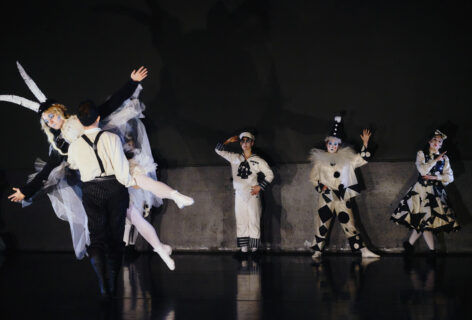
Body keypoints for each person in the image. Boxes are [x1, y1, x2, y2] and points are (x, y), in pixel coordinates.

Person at [2, 62, 192, 268]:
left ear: (60, 110)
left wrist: (132, 83)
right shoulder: (60, 144)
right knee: (133, 216)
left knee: (140, 179)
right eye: (46, 120)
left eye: (51, 115)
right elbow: (47, 171)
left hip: (114, 162)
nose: (50, 121)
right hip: (100, 181)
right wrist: (26, 190)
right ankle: (160, 249)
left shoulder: (82, 119)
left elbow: (110, 105)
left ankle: (175, 196)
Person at [68, 102, 134, 297]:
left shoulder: (75, 145)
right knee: (115, 236)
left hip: (91, 189)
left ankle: (103, 285)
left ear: (79, 121)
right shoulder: (112, 138)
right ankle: (113, 285)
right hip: (114, 187)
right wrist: (128, 183)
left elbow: (72, 164)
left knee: (97, 237)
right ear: (98, 118)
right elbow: (122, 169)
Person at [308, 116, 379, 260]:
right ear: (327, 143)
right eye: (330, 143)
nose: (332, 146)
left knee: (349, 223)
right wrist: (321, 186)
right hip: (326, 196)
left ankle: (363, 250)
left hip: (342, 195)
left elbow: (362, 159)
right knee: (322, 222)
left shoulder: (347, 158)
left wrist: (365, 144)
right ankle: (318, 250)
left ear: (339, 145)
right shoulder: (320, 161)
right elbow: (313, 178)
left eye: (335, 144)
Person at [391, 130, 459, 256]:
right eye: (434, 140)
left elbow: (450, 177)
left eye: (439, 141)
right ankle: (432, 251)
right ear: (429, 141)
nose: (436, 143)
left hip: (436, 192)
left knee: (424, 222)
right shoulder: (421, 154)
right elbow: (422, 171)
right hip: (421, 192)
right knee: (425, 222)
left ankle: (409, 245)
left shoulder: (445, 158)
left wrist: (436, 178)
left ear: (441, 145)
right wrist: (435, 160)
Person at [215, 131, 274, 253]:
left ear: (252, 143)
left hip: (253, 194)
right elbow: (218, 150)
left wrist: (260, 187)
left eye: (247, 141)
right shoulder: (235, 158)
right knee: (241, 220)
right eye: (242, 141)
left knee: (254, 220)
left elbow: (270, 174)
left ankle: (255, 249)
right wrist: (227, 141)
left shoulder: (257, 160)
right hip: (239, 194)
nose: (245, 144)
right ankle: (243, 249)